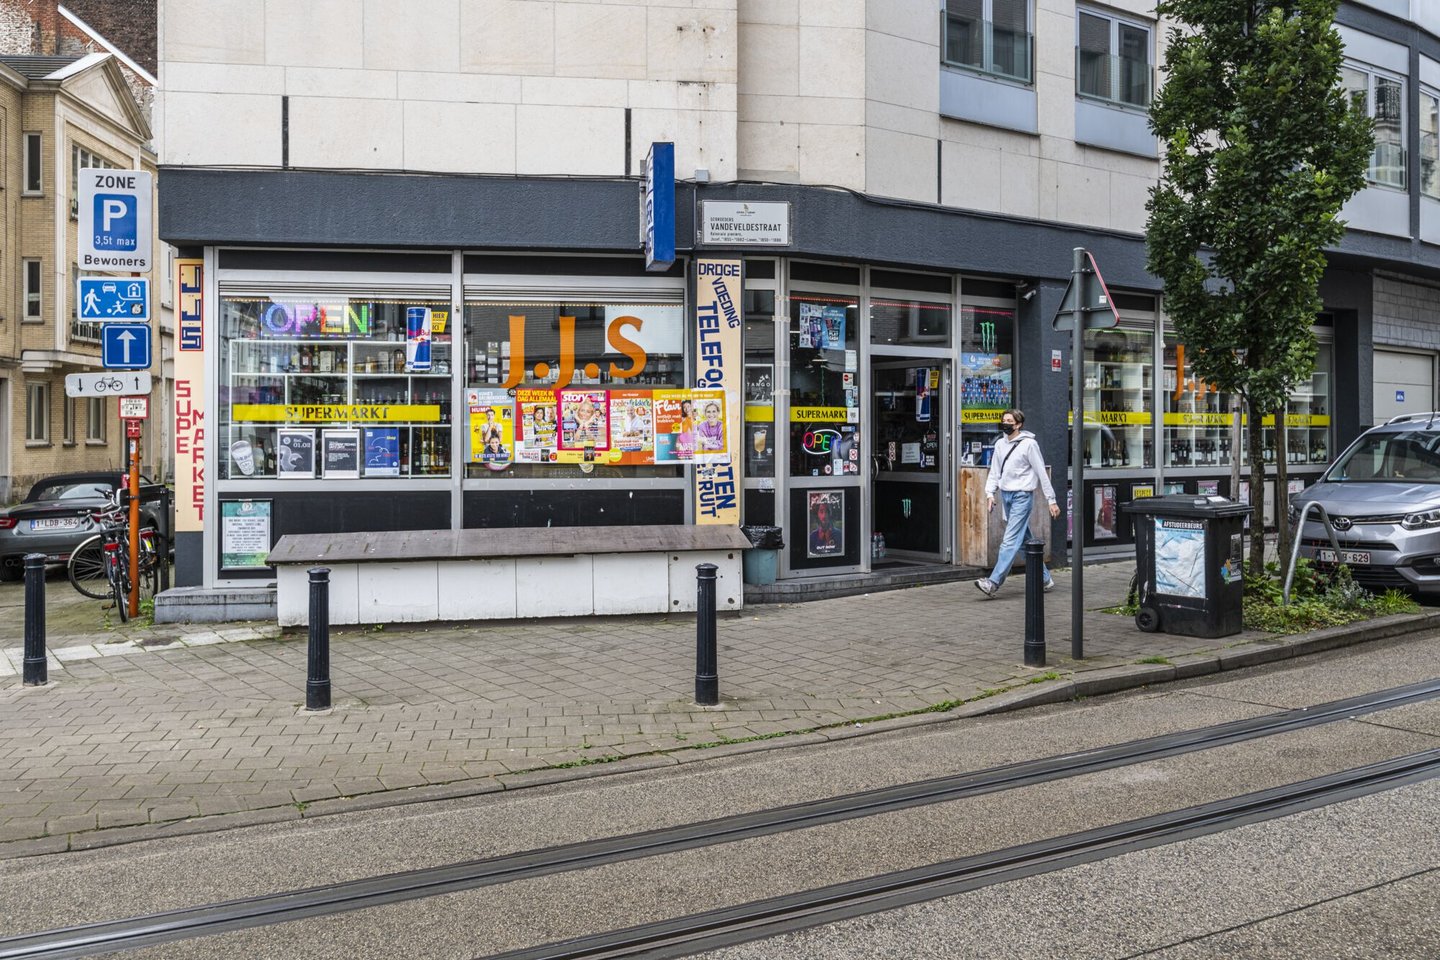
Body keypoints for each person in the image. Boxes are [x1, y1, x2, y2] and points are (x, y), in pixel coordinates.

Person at [975, 408, 1060, 598]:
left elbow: (1041, 472)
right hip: (1006, 495)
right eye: (1003, 420)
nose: (1005, 423)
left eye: (1009, 421)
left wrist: (1051, 500)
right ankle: (1045, 578)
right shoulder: (999, 445)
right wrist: (990, 494)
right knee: (1023, 540)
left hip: (1022, 496)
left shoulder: (1029, 445)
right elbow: (995, 471)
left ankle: (993, 582)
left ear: (1018, 424)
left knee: (1010, 540)